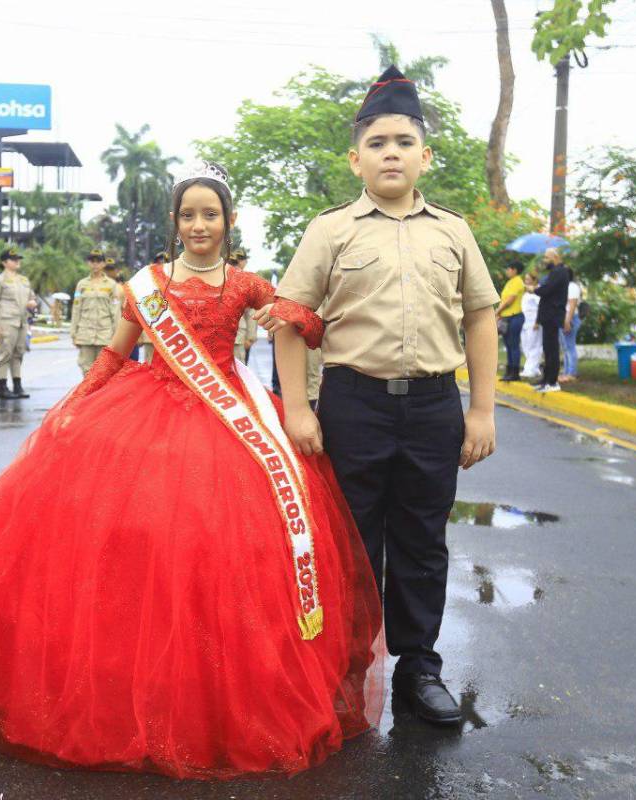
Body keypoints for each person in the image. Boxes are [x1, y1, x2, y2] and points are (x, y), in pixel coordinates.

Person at [0, 162, 382, 777]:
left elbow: (297, 321)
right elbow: (115, 354)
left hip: (229, 417)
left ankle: (221, 691)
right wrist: (75, 407)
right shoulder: (147, 284)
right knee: (131, 548)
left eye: (210, 214)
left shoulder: (246, 284)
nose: (199, 225)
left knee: (225, 550)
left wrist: (301, 318)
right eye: (188, 214)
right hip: (146, 414)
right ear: (175, 222)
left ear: (229, 220)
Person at [258, 66, 499, 727]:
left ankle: (419, 668)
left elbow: (481, 315)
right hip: (353, 406)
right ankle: (345, 669)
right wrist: (300, 409)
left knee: (422, 540)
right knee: (353, 542)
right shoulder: (330, 230)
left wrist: (481, 409)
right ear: (355, 158)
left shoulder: (452, 231)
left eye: (402, 141)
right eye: (377, 142)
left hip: (431, 407)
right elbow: (290, 316)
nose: (390, 152)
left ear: (424, 156)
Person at [0, 247, 37, 399]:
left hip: (22, 321)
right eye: (13, 259)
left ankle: (17, 385)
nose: (17, 261)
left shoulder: (24, 280)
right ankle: (2, 387)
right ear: (4, 262)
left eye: (18, 259)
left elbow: (31, 297)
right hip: (6, 321)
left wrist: (32, 302)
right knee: (6, 354)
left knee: (18, 353)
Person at [71, 249, 121, 375]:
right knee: (86, 369)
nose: (95, 264)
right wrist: (74, 333)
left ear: (103, 264)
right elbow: (76, 309)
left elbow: (115, 312)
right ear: (88, 263)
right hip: (85, 333)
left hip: (105, 334)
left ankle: (100, 395)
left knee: (103, 370)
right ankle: (88, 395)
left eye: (98, 261)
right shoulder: (81, 284)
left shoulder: (111, 285)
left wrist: (117, 336)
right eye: (92, 261)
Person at [529, 247, 570, 393]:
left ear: (555, 258)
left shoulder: (560, 272)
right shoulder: (555, 272)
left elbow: (547, 290)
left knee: (552, 349)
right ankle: (546, 379)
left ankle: (552, 382)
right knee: (547, 349)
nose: (545, 261)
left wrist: (534, 289)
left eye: (547, 258)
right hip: (548, 316)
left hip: (553, 315)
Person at [498, 260, 526, 381]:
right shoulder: (510, 282)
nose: (507, 271)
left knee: (513, 344)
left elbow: (510, 300)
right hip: (506, 317)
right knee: (508, 344)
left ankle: (515, 373)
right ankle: (508, 371)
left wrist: (497, 311)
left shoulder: (518, 282)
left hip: (515, 316)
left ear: (514, 270)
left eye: (508, 268)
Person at [136, 251, 166, 363]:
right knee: (150, 368)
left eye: (165, 263)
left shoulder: (178, 284)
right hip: (151, 336)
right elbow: (139, 311)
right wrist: (139, 335)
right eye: (159, 263)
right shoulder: (146, 285)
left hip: (171, 338)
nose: (162, 266)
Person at [230, 249, 258, 364]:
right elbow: (251, 313)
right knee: (238, 372)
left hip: (218, 337)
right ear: (242, 262)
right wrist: (251, 337)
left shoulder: (217, 277)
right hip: (238, 336)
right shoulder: (246, 282)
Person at [560, 265, 582, 383]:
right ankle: (566, 372)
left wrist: (567, 321)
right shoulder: (564, 286)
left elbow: (572, 305)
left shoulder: (572, 286)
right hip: (564, 317)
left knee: (570, 346)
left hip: (570, 318)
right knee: (565, 347)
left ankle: (572, 373)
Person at [520, 272, 543, 380]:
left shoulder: (537, 291)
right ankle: (534, 367)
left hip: (534, 322)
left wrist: (537, 322)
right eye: (525, 279)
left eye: (528, 279)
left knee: (534, 346)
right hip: (525, 322)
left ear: (534, 280)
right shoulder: (527, 292)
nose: (526, 281)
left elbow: (541, 308)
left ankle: (529, 369)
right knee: (526, 345)